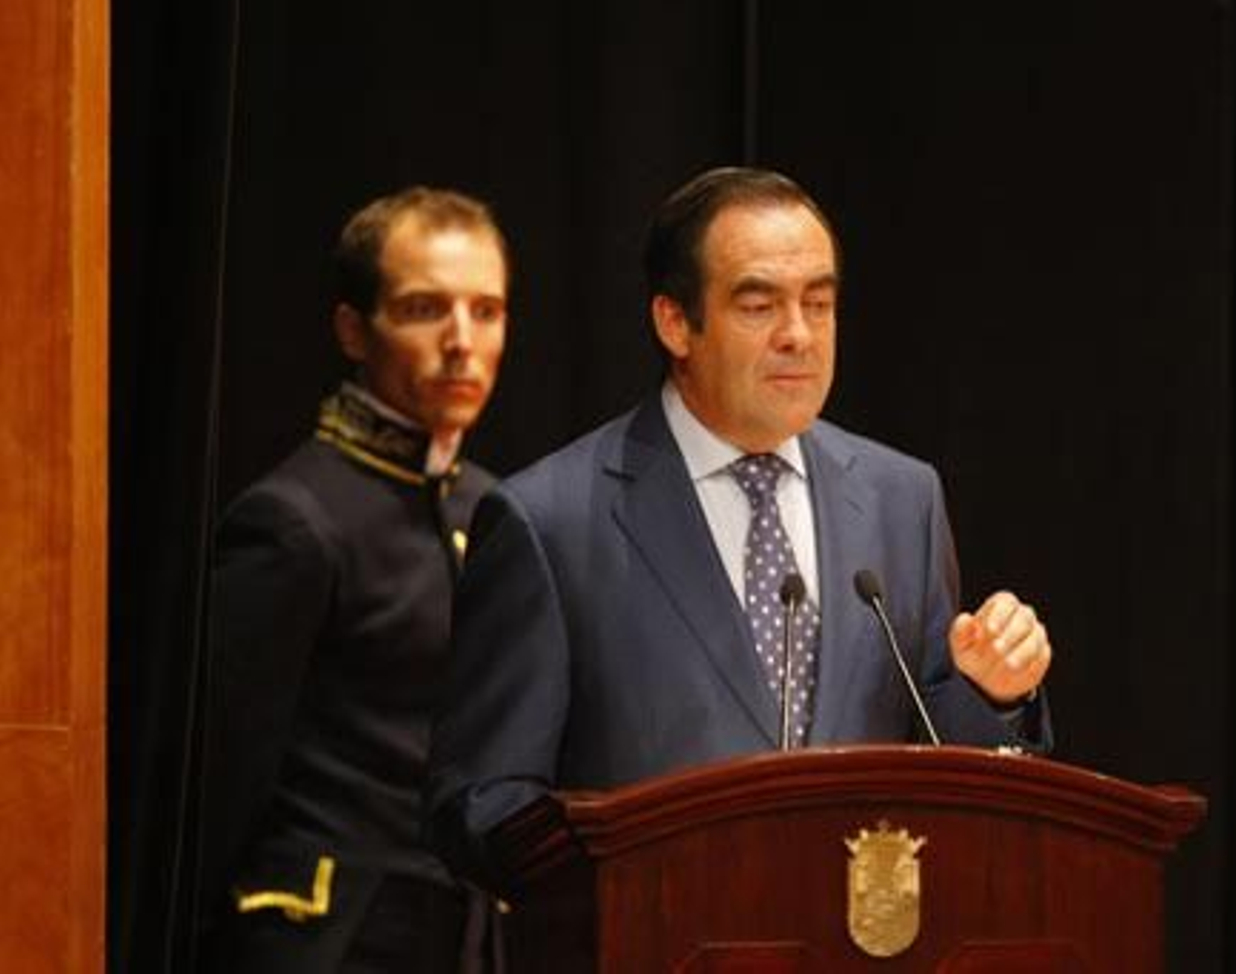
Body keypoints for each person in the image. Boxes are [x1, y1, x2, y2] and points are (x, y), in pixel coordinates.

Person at [425, 166, 1053, 897]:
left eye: (819, 304)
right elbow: (480, 805)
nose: (798, 336)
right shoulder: (550, 521)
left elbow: (940, 763)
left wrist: (995, 696)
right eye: (759, 306)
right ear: (675, 323)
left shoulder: (901, 499)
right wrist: (634, 878)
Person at [199, 187, 511, 973]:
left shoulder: (490, 508)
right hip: (327, 944)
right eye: (424, 309)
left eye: (486, 311)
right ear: (353, 330)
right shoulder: (294, 519)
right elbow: (218, 788)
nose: (461, 342)